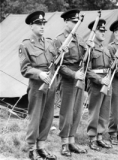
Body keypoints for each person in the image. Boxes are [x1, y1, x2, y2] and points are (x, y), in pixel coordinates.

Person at [19, 11, 57, 160]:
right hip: (37, 85)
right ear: (31, 26)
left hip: (51, 84)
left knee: (47, 117)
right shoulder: (26, 45)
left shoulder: (49, 42)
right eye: (38, 24)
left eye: (43, 24)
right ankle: (31, 149)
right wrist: (39, 74)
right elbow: (25, 68)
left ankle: (41, 146)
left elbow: (55, 62)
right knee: (35, 117)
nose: (42, 26)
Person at [55, 9, 87, 157]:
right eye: (73, 22)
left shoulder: (80, 39)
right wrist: (74, 74)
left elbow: (86, 59)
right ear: (66, 22)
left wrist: (89, 50)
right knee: (66, 112)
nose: (75, 24)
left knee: (77, 112)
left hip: (79, 77)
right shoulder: (59, 40)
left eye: (77, 22)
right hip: (68, 78)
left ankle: (72, 141)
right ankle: (64, 143)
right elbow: (58, 65)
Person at [86, 19, 113, 151]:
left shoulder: (106, 49)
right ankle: (92, 138)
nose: (103, 33)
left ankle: (100, 137)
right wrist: (100, 80)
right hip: (97, 83)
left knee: (104, 111)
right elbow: (87, 70)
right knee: (95, 111)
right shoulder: (90, 48)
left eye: (104, 31)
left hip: (107, 82)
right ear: (94, 32)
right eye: (101, 31)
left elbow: (110, 66)